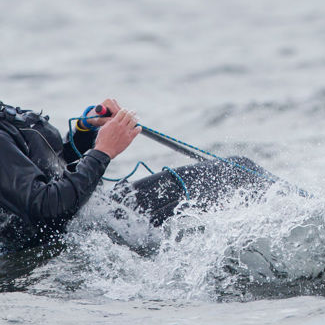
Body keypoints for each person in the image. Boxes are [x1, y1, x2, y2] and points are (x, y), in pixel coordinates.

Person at [0, 98, 279, 251]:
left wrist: (86, 133)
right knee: (238, 175)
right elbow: (45, 206)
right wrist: (103, 152)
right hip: (87, 234)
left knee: (239, 172)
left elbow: (49, 171)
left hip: (95, 222)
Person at [0, 99, 140, 250]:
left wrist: (85, 127)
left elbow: (49, 165)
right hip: (55, 248)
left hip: (85, 224)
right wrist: (102, 152)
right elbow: (46, 207)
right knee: (168, 187)